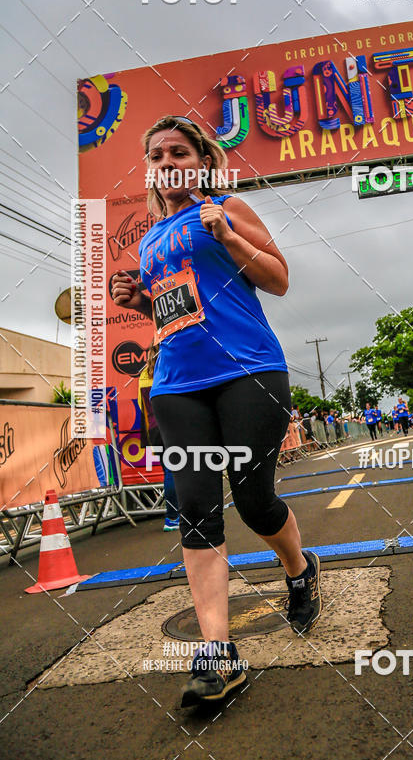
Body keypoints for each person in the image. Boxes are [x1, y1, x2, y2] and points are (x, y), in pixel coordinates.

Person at [110, 115, 321, 707]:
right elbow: (181, 310)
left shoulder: (227, 206)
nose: (168, 160)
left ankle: (299, 570)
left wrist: (229, 235)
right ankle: (217, 657)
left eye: (179, 151)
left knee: (253, 500)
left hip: (249, 371)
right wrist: (144, 300)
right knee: (197, 509)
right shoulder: (150, 240)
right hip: (178, 385)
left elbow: (278, 279)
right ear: (150, 168)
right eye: (157, 155)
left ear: (202, 162)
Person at [138, 340, 180, 530]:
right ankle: (174, 516)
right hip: (172, 425)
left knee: (169, 471)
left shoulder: (143, 376)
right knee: (178, 470)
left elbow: (141, 404)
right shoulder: (171, 369)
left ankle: (172, 517)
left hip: (153, 429)